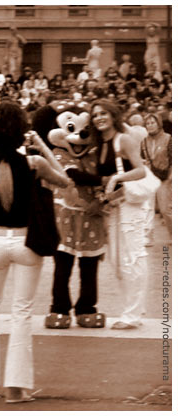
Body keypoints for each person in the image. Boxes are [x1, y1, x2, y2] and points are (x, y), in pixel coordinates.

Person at [0, 101, 70, 403]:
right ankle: (15, 387)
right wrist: (41, 146)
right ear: (21, 130)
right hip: (26, 240)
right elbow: (64, 179)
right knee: (21, 313)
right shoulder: (34, 163)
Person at [89, 99, 147, 329]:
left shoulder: (123, 139)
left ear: (113, 115)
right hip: (112, 208)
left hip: (129, 206)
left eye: (103, 113)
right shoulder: (100, 142)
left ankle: (133, 315)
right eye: (95, 115)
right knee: (116, 261)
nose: (99, 118)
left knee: (132, 259)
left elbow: (141, 170)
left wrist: (116, 180)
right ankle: (134, 309)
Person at [141, 113, 172, 245]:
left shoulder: (169, 139)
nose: (150, 125)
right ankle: (148, 236)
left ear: (159, 124)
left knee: (165, 209)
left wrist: (171, 176)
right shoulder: (144, 141)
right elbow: (141, 157)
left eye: (153, 122)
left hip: (165, 178)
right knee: (148, 208)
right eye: (147, 123)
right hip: (149, 177)